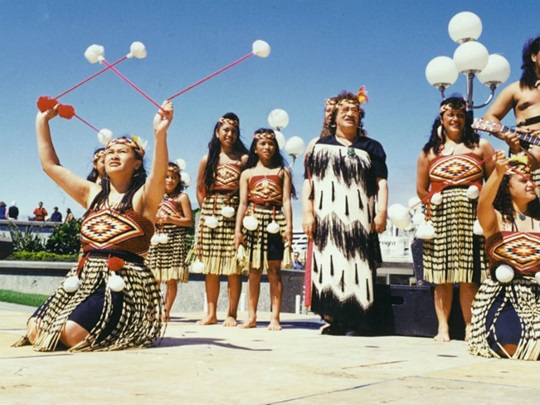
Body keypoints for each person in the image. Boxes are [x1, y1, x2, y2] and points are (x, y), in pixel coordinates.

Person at [13, 99, 173, 352]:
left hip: (122, 280)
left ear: (137, 162)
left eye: (122, 151)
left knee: (71, 335)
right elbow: (50, 166)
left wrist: (160, 134)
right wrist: (42, 121)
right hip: (85, 276)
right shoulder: (92, 194)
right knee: (36, 329)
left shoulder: (144, 198)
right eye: (109, 151)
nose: (113, 155)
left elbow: (159, 174)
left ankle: (126, 325)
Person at [303, 89, 388, 336]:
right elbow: (309, 182)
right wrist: (308, 213)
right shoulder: (319, 146)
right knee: (329, 266)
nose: (350, 114)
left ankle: (359, 320)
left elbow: (381, 182)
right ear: (334, 116)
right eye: (345, 110)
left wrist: (381, 212)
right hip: (327, 218)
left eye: (355, 110)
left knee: (358, 266)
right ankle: (334, 319)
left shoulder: (371, 147)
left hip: (359, 219)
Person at [417, 96, 496, 342]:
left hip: (473, 216)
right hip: (440, 218)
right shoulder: (430, 152)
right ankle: (443, 328)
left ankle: (471, 326)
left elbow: (495, 181)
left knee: (469, 275)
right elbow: (421, 189)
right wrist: (434, 204)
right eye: (450, 115)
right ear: (441, 118)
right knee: (442, 277)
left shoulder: (481, 147)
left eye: (460, 115)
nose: (455, 119)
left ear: (466, 119)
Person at [469, 151, 540, 360]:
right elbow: (483, 203)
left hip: (536, 293)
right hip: (504, 295)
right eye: (522, 180)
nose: (530, 184)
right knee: (510, 344)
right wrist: (498, 173)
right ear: (507, 187)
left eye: (531, 180)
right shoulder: (495, 220)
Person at [190, 112, 248, 326]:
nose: (230, 134)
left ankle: (232, 313)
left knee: (234, 266)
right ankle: (211, 313)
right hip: (212, 213)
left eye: (234, 131)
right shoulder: (208, 159)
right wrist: (208, 211)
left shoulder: (244, 159)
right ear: (217, 132)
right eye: (226, 130)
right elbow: (200, 189)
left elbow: (248, 189)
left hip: (235, 212)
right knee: (211, 266)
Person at [234, 128, 294, 330]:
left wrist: (289, 227)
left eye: (271, 143)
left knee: (275, 271)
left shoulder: (282, 172)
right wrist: (238, 231)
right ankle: (251, 317)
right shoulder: (247, 174)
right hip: (253, 221)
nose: (267, 147)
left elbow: (286, 201)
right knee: (254, 271)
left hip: (275, 221)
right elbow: (242, 203)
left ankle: (275, 317)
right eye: (263, 144)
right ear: (255, 148)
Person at [483, 37, 540, 177]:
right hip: (528, 149)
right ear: (534, 56)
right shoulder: (516, 89)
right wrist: (510, 137)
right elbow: (489, 117)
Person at [146, 162, 193, 322]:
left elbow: (189, 221)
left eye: (174, 177)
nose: (170, 180)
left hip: (175, 239)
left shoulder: (182, 197)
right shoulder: (154, 195)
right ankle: (152, 310)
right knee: (155, 277)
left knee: (171, 278)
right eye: (166, 176)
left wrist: (170, 218)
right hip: (157, 239)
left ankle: (166, 311)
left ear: (179, 179)